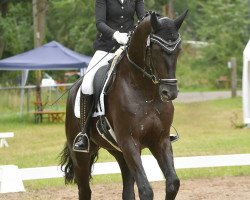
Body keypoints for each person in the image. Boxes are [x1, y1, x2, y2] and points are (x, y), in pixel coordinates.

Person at [73, 0, 145, 152]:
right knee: (86, 84)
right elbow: (99, 23)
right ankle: (84, 133)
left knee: (153, 73)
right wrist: (115, 35)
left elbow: (142, 18)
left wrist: (136, 35)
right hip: (107, 48)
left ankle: (161, 127)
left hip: (129, 48)